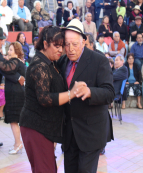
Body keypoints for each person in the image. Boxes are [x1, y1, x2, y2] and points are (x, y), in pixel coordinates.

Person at [20, 26, 80, 172]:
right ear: (45, 44)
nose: (60, 50)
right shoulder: (39, 65)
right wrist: (72, 93)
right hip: (36, 128)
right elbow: (45, 98)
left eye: (62, 46)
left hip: (43, 129)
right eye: (56, 46)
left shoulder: (50, 62)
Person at [57, 19, 114, 173]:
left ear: (83, 41)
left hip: (91, 132)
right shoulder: (62, 61)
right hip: (69, 133)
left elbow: (109, 93)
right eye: (66, 44)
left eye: (74, 44)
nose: (70, 49)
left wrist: (90, 92)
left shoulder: (99, 60)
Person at [0, 41, 26, 154]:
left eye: (11, 50)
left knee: (14, 120)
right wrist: (18, 77)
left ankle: (18, 144)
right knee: (14, 120)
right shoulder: (17, 61)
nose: (8, 52)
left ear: (16, 51)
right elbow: (8, 72)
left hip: (16, 94)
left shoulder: (15, 61)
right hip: (14, 93)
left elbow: (5, 68)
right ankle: (17, 143)